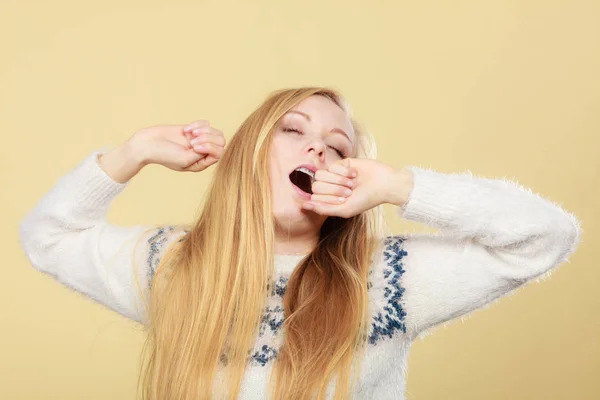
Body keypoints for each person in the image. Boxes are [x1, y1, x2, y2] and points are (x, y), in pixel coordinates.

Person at [18, 87, 582, 400]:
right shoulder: (171, 267)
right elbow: (48, 237)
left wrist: (400, 186)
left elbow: (544, 237)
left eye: (338, 148)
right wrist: (132, 153)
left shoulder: (387, 280)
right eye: (292, 131)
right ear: (247, 156)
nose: (317, 151)